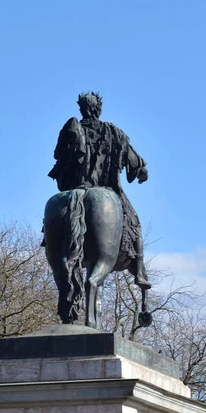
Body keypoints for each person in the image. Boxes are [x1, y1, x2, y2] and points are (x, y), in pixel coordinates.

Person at [48, 92, 151, 290]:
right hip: (106, 190)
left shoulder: (72, 128)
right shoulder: (113, 132)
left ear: (81, 108)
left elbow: (57, 155)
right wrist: (142, 172)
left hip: (74, 189)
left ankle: (51, 239)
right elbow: (137, 165)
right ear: (98, 109)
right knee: (134, 223)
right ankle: (139, 270)